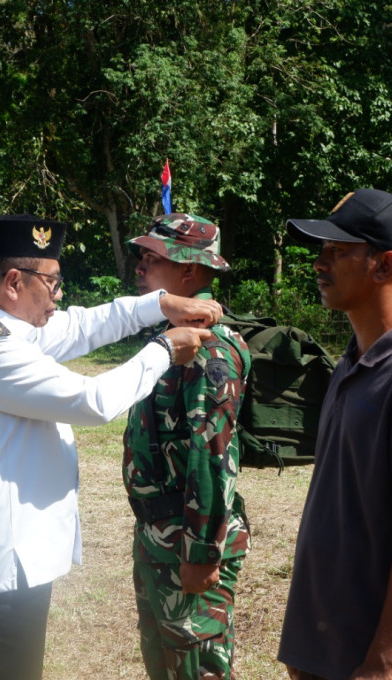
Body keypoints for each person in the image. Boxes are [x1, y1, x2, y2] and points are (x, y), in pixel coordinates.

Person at [0, 214, 222, 680]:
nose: (59, 295)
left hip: (7, 557)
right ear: (13, 281)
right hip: (0, 565)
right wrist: (164, 349)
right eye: (53, 283)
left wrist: (160, 303)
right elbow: (93, 401)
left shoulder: (4, 327)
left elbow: (87, 325)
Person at [278, 188, 392, 680]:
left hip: (377, 663)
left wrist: (383, 661)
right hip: (329, 650)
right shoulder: (352, 361)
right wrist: (306, 647)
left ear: (385, 265)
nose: (319, 263)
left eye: (337, 252)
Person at [123, 214, 251, 679]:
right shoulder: (173, 339)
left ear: (189, 272)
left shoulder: (208, 351)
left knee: (199, 669)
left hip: (188, 542)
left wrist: (201, 553)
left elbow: (214, 458)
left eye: (151, 257)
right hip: (161, 537)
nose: (140, 266)